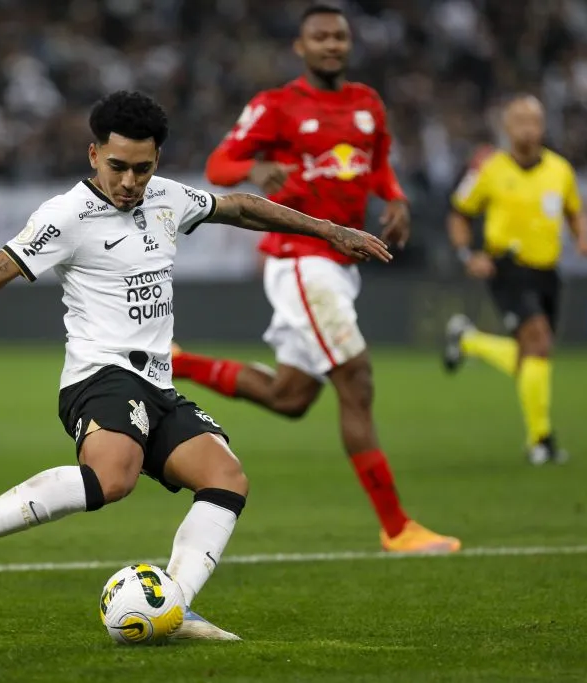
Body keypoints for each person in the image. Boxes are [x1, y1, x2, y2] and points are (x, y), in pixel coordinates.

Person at [0, 90, 391, 640]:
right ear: (93, 155)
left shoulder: (167, 199)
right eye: (117, 166)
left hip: (157, 383)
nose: (129, 182)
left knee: (227, 478)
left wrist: (330, 230)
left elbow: (243, 206)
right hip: (98, 377)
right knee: (113, 477)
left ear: (157, 163)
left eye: (143, 169)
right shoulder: (66, 216)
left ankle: (174, 606)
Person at [170, 4, 460, 554]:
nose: (331, 44)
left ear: (349, 44)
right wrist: (256, 171)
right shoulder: (276, 106)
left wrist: (393, 198)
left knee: (292, 396)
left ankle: (177, 361)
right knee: (357, 379)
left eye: (339, 36)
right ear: (300, 48)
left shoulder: (367, 105)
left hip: (342, 264)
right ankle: (397, 528)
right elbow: (218, 166)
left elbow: (377, 165)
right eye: (320, 37)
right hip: (302, 257)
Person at [443, 94, 587, 465]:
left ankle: (468, 341)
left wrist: (583, 237)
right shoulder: (490, 169)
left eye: (535, 121)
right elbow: (459, 213)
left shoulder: (560, 170)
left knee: (534, 356)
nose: (529, 128)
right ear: (507, 128)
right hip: (507, 268)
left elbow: (575, 212)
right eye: (521, 121)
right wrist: (467, 255)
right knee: (538, 343)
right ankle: (540, 441)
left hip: (548, 271)